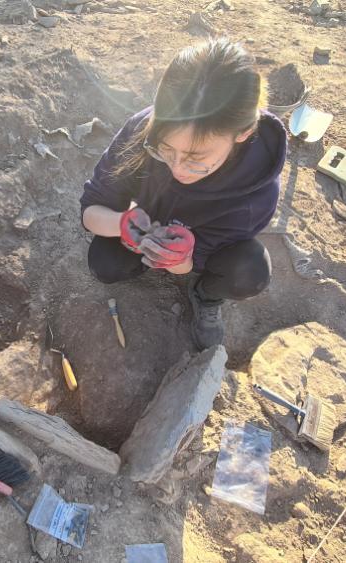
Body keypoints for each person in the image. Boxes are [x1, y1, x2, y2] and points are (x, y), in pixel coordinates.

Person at [79, 38, 287, 350]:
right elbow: (92, 209)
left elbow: (193, 262)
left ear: (242, 134)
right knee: (105, 264)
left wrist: (182, 260)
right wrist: (123, 223)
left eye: (197, 159)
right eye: (165, 149)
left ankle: (205, 294)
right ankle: (145, 254)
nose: (178, 168)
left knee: (250, 272)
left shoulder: (255, 193)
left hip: (199, 252)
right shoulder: (143, 129)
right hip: (145, 224)